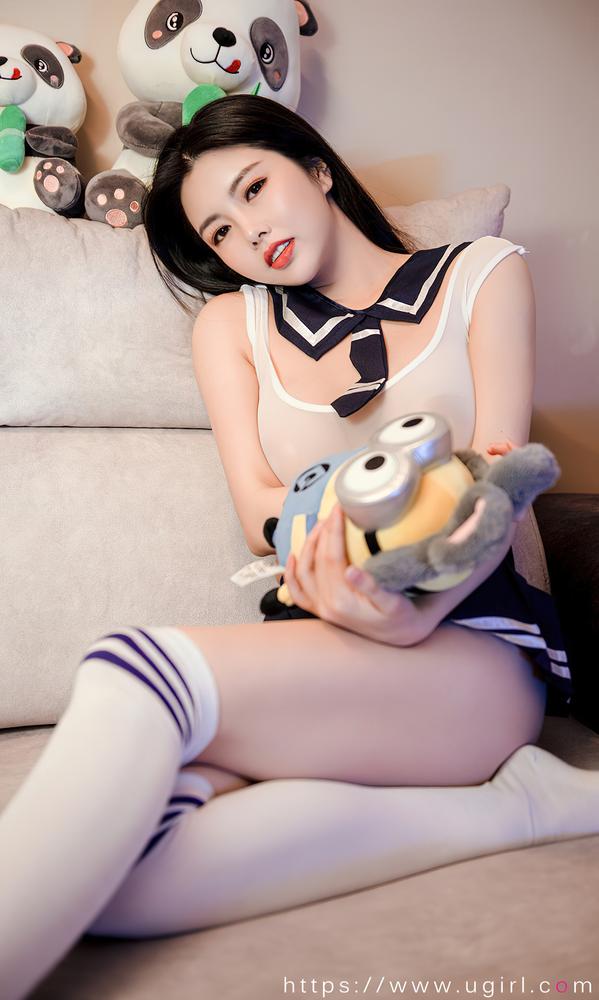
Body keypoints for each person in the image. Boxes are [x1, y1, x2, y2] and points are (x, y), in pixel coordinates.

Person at [1, 94, 597, 1000]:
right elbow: (257, 512)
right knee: (129, 867)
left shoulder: (481, 273)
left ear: (315, 169)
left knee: (130, 668)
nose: (249, 232)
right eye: (220, 229)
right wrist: (359, 554)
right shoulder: (231, 326)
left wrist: (410, 606)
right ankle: (517, 808)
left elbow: (496, 480)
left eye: (254, 188)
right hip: (320, 632)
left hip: (472, 642)